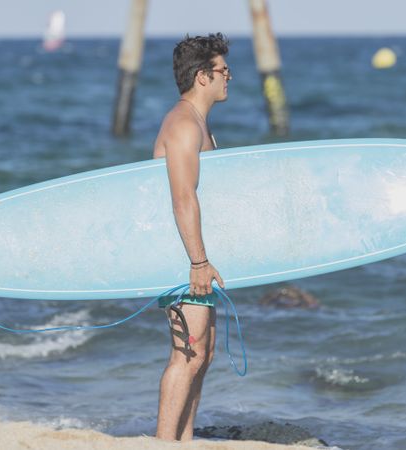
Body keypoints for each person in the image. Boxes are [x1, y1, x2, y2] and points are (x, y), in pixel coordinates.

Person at [152, 33, 232, 441]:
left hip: (193, 256)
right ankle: (164, 442)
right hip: (182, 258)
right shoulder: (184, 124)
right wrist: (198, 262)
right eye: (222, 70)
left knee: (203, 352)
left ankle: (184, 440)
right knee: (188, 353)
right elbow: (183, 197)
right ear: (202, 76)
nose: (228, 77)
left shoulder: (199, 123)